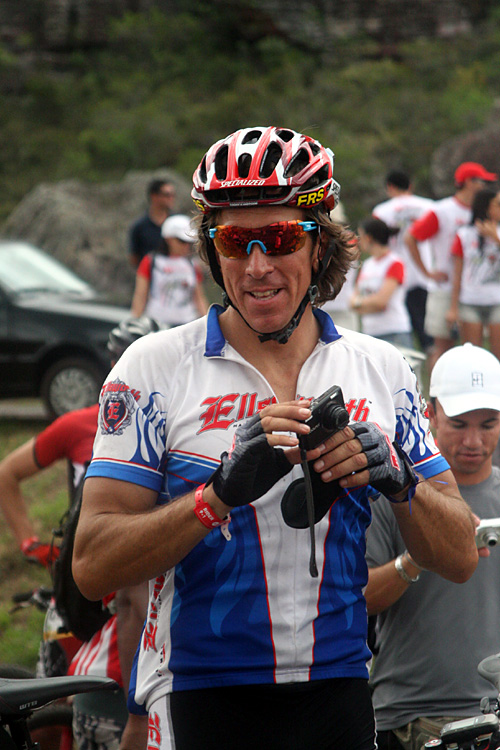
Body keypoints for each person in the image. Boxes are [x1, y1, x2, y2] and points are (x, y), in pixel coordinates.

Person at [73, 126, 477, 750]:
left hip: (339, 688)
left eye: (281, 237)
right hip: (199, 692)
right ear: (211, 250)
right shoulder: (152, 369)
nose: (258, 266)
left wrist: (399, 481)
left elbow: (459, 555)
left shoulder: (382, 368)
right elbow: (92, 563)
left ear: (319, 244)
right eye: (235, 241)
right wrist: (215, 498)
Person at [0, 317, 158, 750]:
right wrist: (31, 544)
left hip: (128, 577)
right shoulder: (79, 424)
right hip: (82, 577)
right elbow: (7, 473)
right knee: (43, 707)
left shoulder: (163, 427)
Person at [365, 342, 500, 750]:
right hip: (413, 713)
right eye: (459, 424)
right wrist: (422, 555)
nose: (473, 440)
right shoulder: (394, 496)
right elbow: (360, 597)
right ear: (430, 413)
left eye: (489, 423)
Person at [405, 161, 497, 372]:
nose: (484, 186)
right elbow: (411, 237)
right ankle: (436, 397)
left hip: (475, 290)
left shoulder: (485, 210)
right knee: (443, 347)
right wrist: (427, 272)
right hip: (446, 290)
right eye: (481, 181)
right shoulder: (443, 210)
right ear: (468, 182)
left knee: (475, 350)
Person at [372, 170, 434, 352]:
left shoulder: (381, 211)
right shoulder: (429, 207)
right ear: (410, 186)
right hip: (423, 276)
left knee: (399, 339)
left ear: (390, 187)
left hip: (393, 279)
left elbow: (376, 242)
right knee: (429, 342)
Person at [447, 188, 500, 359]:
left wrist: (495, 238)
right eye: (497, 205)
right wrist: (453, 307)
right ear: (486, 208)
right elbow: (458, 273)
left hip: (497, 301)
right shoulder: (464, 234)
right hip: (470, 301)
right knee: (473, 356)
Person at [130, 213, 209, 326]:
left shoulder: (192, 264)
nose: (186, 246)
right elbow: (140, 296)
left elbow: (199, 297)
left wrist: (207, 323)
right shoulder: (151, 261)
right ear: (168, 239)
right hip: (157, 325)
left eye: (188, 243)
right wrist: (134, 322)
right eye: (181, 241)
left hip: (186, 324)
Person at [350, 216, 414, 348]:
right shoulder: (367, 264)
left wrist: (360, 303)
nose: (358, 240)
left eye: (360, 236)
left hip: (393, 332)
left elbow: (381, 302)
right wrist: (363, 303)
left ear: (369, 238)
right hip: (370, 332)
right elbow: (352, 301)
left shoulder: (394, 263)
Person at [128, 179, 176, 268]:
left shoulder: (177, 223)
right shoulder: (140, 227)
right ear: (154, 196)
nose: (171, 198)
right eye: (167, 195)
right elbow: (134, 257)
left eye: (173, 195)